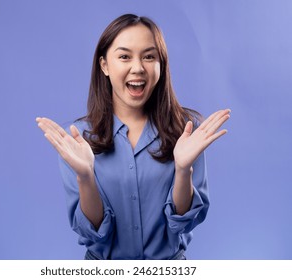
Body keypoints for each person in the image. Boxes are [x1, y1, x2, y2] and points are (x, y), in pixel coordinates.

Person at [36, 14, 230, 260]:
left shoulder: (187, 132)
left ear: (161, 65)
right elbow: (94, 234)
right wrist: (85, 176)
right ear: (104, 65)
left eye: (149, 56)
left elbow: (183, 224)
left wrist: (183, 170)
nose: (138, 68)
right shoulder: (78, 139)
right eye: (124, 56)